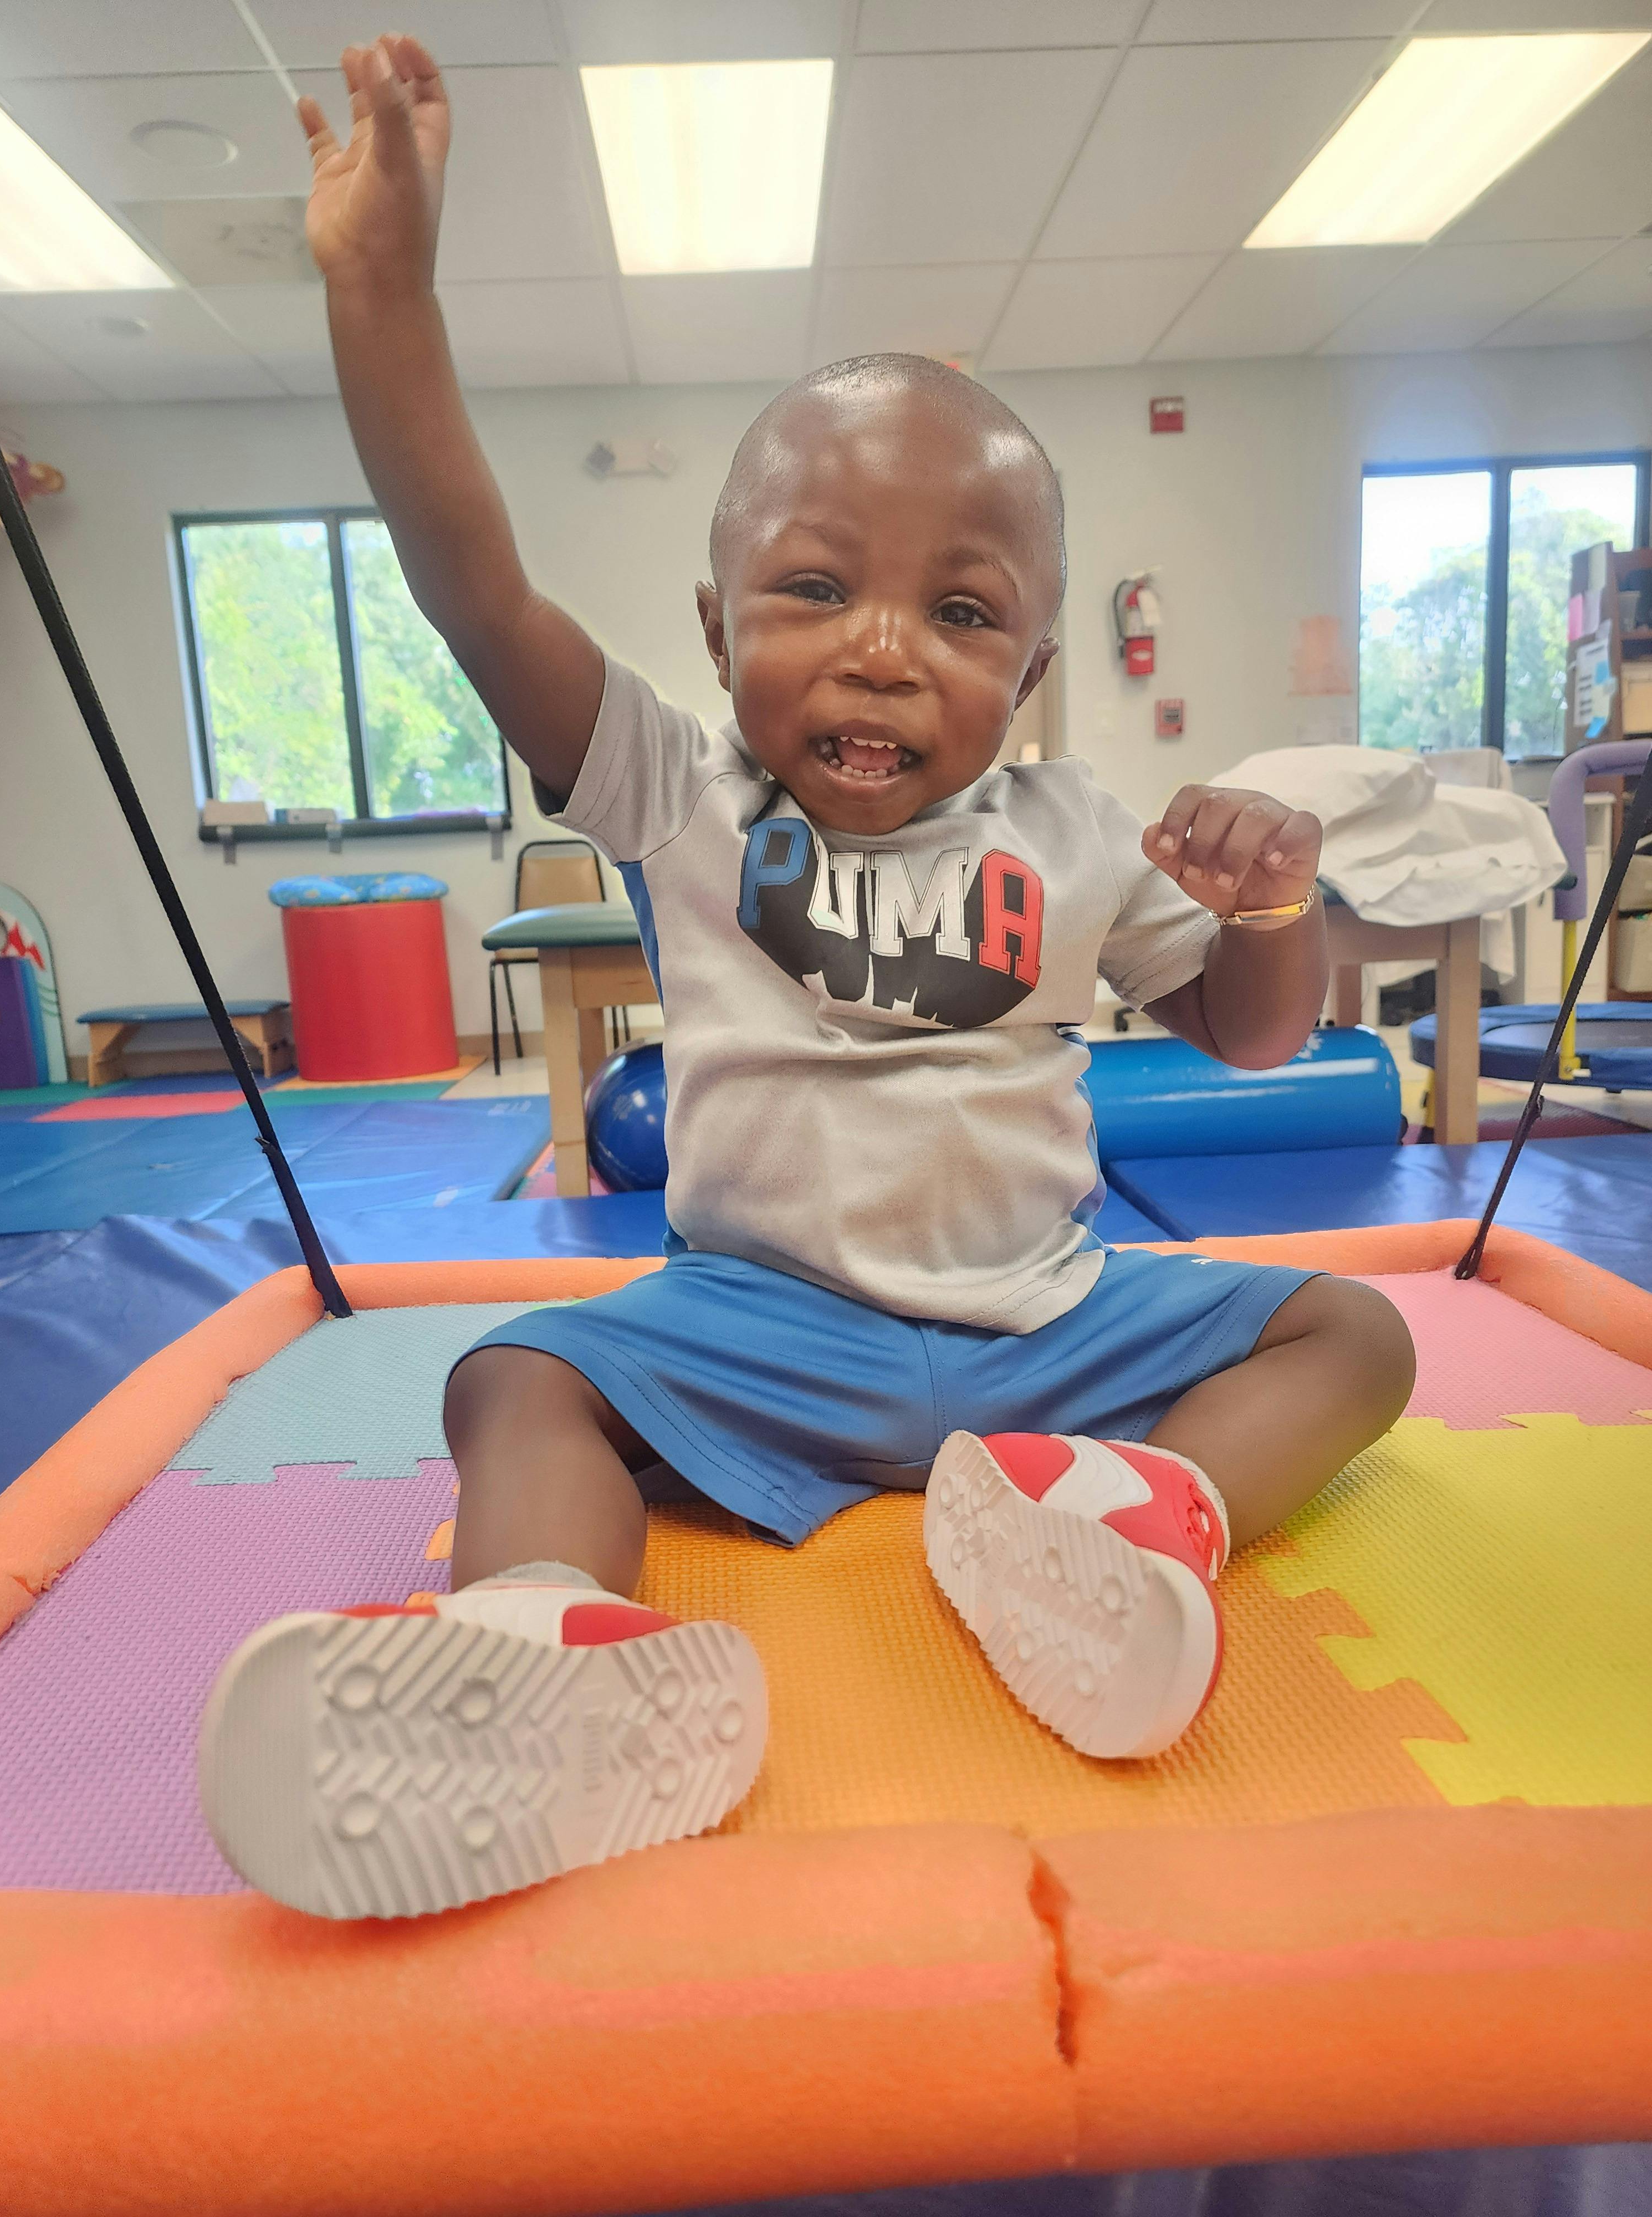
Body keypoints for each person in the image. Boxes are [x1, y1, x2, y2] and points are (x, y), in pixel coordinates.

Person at [198, 36, 1416, 1921]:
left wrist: (1274, 907)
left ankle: (1127, 1521)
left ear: (1023, 677)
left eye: (960, 613)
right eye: (814, 589)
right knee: (518, 1373)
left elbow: (1262, 1038)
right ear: (716, 623)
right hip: (758, 1332)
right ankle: (541, 1654)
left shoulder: (1084, 829)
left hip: (1048, 1343)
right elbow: (476, 588)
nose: (880, 654)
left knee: (1364, 1333)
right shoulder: (679, 793)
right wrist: (383, 294)